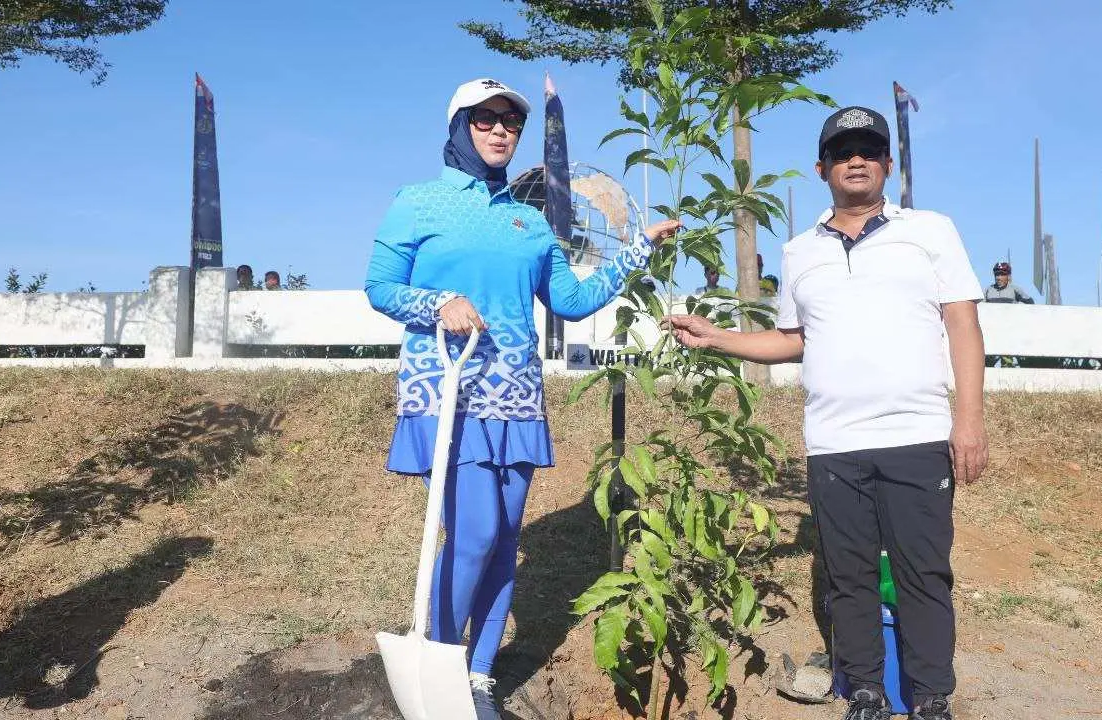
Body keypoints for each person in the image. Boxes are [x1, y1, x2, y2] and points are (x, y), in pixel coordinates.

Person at [364, 78, 680, 720]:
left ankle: (478, 675)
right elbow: (379, 286)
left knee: (504, 538)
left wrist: (638, 253)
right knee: (475, 534)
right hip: (448, 389)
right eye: (485, 119)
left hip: (515, 395)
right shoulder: (417, 203)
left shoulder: (531, 220)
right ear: (459, 127)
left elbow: (569, 300)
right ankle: (441, 671)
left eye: (511, 120)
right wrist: (438, 302)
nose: (501, 129)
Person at [667, 105, 987, 720]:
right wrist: (718, 338)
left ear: (887, 165)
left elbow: (964, 327)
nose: (857, 160)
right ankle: (863, 692)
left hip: (916, 434)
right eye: (843, 152)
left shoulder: (931, 231)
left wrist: (968, 422)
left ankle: (931, 699)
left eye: (869, 150)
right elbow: (795, 338)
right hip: (834, 443)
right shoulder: (798, 252)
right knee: (848, 575)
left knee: (924, 575)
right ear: (823, 168)